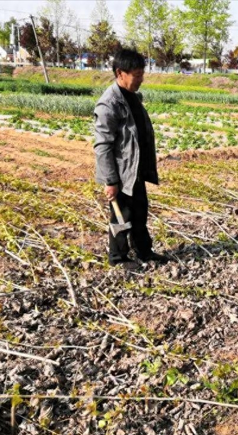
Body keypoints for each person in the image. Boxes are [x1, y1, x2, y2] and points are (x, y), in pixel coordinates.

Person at [94, 48, 168, 269]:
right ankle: (118, 258)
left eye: (142, 73)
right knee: (121, 216)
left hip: (135, 169)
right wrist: (110, 181)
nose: (141, 79)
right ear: (120, 73)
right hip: (121, 173)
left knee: (140, 212)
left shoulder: (132, 97)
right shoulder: (109, 104)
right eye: (137, 75)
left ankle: (144, 251)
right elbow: (103, 145)